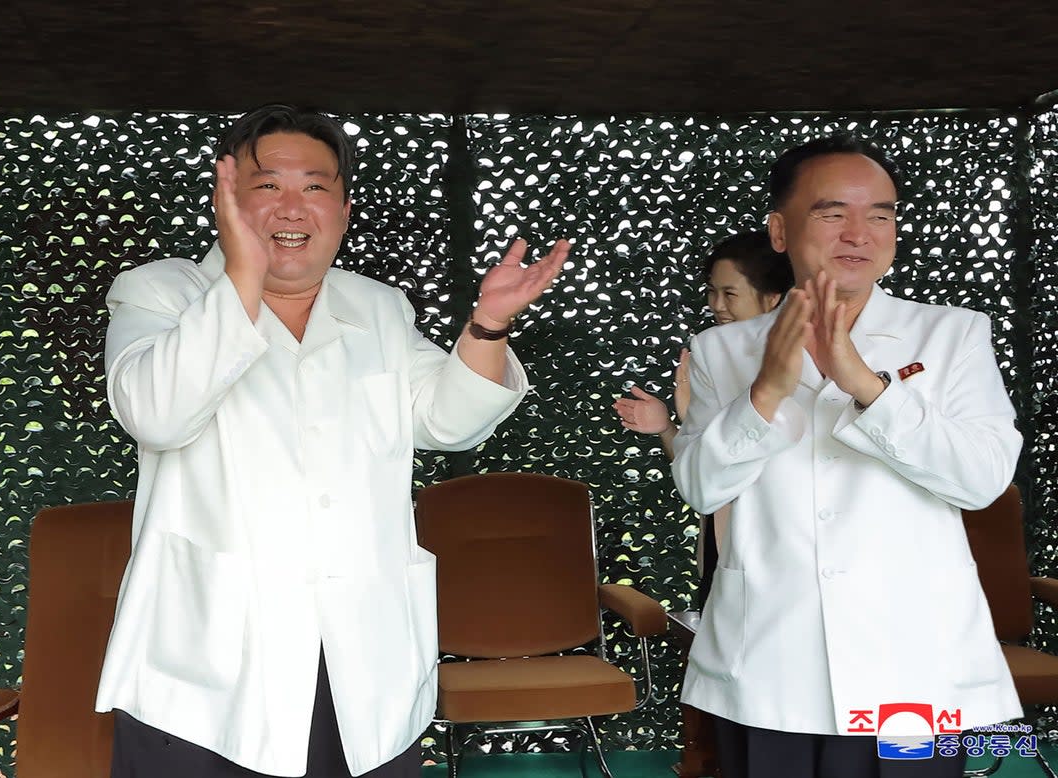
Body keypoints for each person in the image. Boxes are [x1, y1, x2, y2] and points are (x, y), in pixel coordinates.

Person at [94, 104, 570, 778]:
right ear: (227, 200)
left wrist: (488, 325)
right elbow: (157, 414)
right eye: (268, 187)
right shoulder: (162, 293)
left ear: (343, 209)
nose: (293, 207)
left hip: (359, 662)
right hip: (206, 674)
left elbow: (447, 418)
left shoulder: (376, 307)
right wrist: (242, 278)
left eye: (315, 188)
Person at [671, 134, 1022, 778]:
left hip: (913, 667)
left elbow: (981, 480)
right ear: (781, 230)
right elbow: (700, 486)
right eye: (833, 213)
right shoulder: (722, 352)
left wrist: (865, 385)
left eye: (880, 214)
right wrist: (766, 396)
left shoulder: (953, 334)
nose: (859, 233)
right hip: (771, 659)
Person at [613, 231, 792, 605]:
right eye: (712, 292)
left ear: (773, 297)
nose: (717, 305)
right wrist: (669, 427)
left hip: (786, 545)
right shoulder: (710, 354)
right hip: (724, 535)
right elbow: (699, 478)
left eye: (730, 294)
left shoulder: (810, 364)